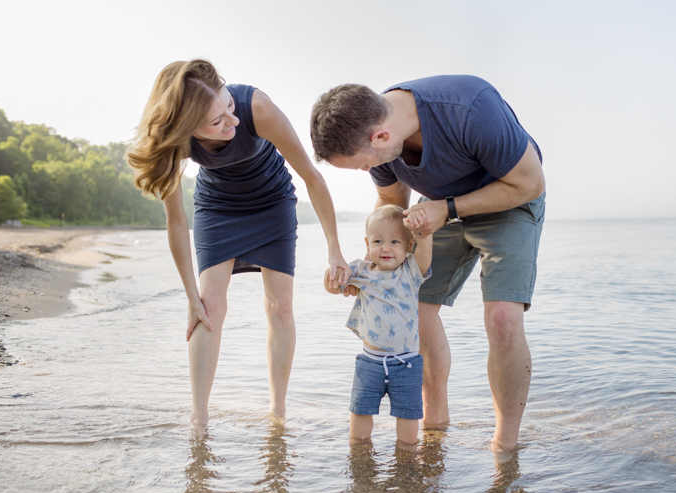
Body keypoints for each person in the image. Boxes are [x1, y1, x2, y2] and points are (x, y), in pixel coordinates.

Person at [310, 75, 545, 452]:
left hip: (508, 197)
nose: (363, 171)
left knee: (502, 318)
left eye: (359, 165)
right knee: (413, 311)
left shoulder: (472, 111)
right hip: (435, 207)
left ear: (381, 139)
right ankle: (435, 426)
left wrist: (448, 208)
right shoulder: (379, 133)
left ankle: (506, 446)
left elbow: (531, 183)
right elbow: (390, 206)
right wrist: (373, 271)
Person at [127, 59, 350, 426]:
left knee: (281, 306)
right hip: (218, 208)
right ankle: (199, 418)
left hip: (272, 202)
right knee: (208, 308)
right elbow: (176, 222)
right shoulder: (174, 142)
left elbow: (311, 176)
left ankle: (277, 411)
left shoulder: (256, 108)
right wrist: (189, 297)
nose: (232, 121)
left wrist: (334, 250)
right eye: (217, 122)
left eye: (228, 106)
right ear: (188, 128)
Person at [324, 205, 432, 445]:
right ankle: (360, 458)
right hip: (369, 362)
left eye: (395, 241)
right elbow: (334, 283)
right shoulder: (360, 271)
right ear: (367, 244)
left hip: (406, 364)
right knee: (360, 414)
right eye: (378, 241)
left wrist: (422, 227)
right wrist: (331, 280)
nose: (386, 248)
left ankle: (406, 462)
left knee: (408, 422)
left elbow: (425, 247)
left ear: (409, 246)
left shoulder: (412, 271)